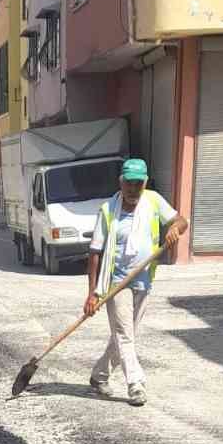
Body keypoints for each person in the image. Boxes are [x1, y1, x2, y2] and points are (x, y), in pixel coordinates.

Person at [83, 158, 188, 407]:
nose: (133, 189)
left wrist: (175, 229)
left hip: (143, 279)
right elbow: (95, 252)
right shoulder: (108, 210)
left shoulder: (153, 201)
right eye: (129, 184)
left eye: (138, 184)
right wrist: (92, 293)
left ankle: (99, 376)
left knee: (124, 335)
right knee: (124, 334)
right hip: (116, 282)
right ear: (121, 183)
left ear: (145, 183)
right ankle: (136, 384)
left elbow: (181, 220)